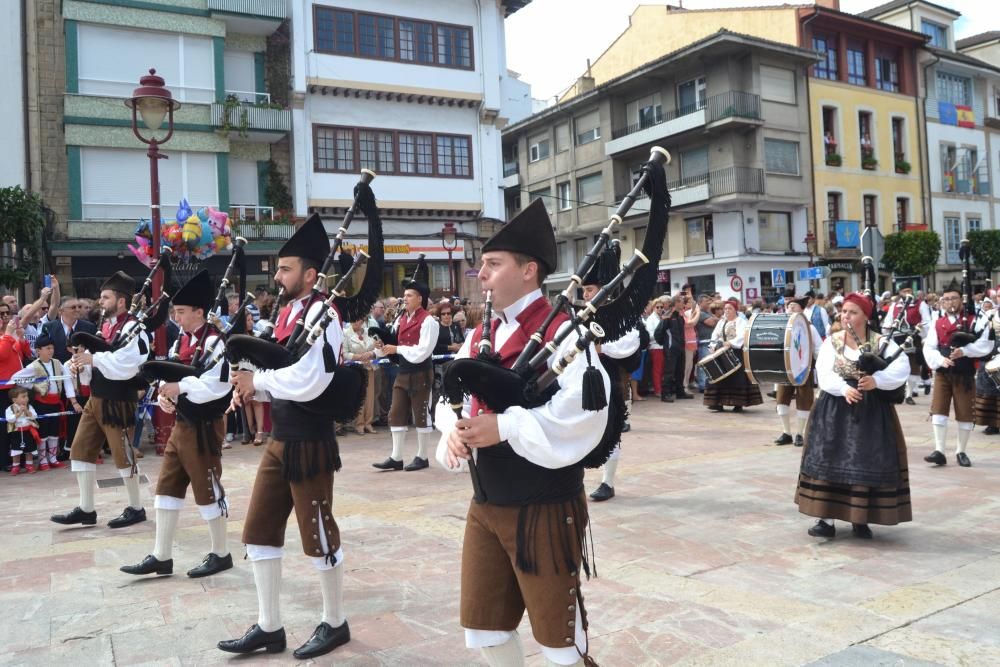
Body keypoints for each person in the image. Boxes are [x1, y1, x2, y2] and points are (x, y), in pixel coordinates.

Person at [433, 196, 615, 666]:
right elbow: (451, 394)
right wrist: (453, 427)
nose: (483, 274)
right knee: (483, 628)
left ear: (529, 270)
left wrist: (508, 425)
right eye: (482, 265)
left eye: (493, 263)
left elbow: (584, 413)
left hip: (544, 506)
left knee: (560, 643)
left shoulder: (566, 333)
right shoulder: (478, 335)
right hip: (486, 502)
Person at [219, 213, 352, 659]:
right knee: (258, 531)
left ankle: (335, 622)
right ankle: (269, 626)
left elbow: (312, 379)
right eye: (277, 269)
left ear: (310, 274)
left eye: (285, 268)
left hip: (310, 441)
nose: (276, 276)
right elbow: (277, 365)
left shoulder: (324, 314)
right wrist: (247, 379)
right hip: (280, 438)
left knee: (318, 534)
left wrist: (260, 383)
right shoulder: (290, 312)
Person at [120, 270, 235, 580]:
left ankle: (221, 553)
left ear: (199, 311)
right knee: (166, 489)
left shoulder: (216, 342)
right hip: (182, 423)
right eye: (175, 313)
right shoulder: (183, 339)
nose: (177, 318)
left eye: (182, 312)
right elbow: (168, 374)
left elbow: (219, 385)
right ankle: (161, 555)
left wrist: (180, 389)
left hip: (204, 426)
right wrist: (165, 395)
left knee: (208, 490)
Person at [795, 293, 911, 539]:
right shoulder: (832, 341)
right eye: (844, 311)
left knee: (866, 461)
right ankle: (825, 520)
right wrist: (843, 388)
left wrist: (877, 381)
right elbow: (823, 371)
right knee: (830, 458)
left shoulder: (881, 343)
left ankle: (861, 518)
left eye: (853, 312)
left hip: (871, 412)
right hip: (834, 411)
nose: (846, 316)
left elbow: (902, 368)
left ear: (866, 316)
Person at [51, 271, 151, 529]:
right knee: (80, 450)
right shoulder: (105, 326)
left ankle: (136, 508)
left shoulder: (134, 328)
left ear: (121, 301)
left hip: (118, 400)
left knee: (122, 455)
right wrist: (80, 365)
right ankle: (86, 509)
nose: (100, 301)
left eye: (106, 297)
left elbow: (129, 365)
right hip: (96, 398)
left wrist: (93, 359)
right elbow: (95, 361)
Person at [583, 245, 639, 503]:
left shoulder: (619, 315)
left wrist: (601, 346)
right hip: (585, 382)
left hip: (612, 379)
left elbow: (632, 342)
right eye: (584, 290)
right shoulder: (581, 316)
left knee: (611, 431)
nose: (585, 295)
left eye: (589, 290)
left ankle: (608, 482)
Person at [373, 261, 439, 472]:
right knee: (396, 412)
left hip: (421, 372)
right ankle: (396, 457)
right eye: (405, 295)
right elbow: (394, 344)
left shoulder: (429, 321)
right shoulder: (402, 319)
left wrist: (397, 349)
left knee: (420, 414)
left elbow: (423, 351)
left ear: (420, 299)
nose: (405, 299)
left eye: (409, 295)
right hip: (404, 372)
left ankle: (422, 456)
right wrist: (381, 347)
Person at [923, 282, 992, 468]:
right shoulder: (937, 322)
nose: (950, 302)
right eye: (946, 299)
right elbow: (928, 347)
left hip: (964, 373)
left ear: (961, 300)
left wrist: (965, 351)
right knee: (938, 411)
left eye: (953, 298)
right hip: (943, 372)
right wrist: (940, 360)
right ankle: (939, 451)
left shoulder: (973, 320)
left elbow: (986, 344)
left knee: (965, 413)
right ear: (941, 302)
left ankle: (961, 451)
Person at [22, 335, 80, 469]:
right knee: (43, 433)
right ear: (38, 351)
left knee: (54, 431)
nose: (51, 351)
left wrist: (74, 401)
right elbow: (17, 378)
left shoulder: (57, 363)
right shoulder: (32, 366)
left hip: (56, 403)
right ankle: (43, 461)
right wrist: (34, 386)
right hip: (41, 403)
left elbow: (67, 381)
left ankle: (53, 459)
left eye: (52, 348)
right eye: (47, 348)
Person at [773, 296, 822, 447]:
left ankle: (800, 433)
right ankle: (786, 432)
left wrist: (820, 372)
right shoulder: (781, 327)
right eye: (789, 306)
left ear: (801, 309)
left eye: (794, 306)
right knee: (781, 399)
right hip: (785, 369)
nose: (791, 308)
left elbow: (819, 350)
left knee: (804, 400)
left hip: (803, 369)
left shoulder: (810, 327)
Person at [704, 299, 762, 412]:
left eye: (729, 308)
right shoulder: (721, 322)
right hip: (721, 352)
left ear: (735, 310)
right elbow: (714, 335)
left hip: (735, 353)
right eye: (725, 309)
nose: (727, 311)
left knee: (737, 378)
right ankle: (717, 402)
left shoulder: (740, 321)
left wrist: (730, 343)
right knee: (718, 377)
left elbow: (741, 336)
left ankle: (738, 403)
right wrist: (713, 345)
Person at [882, 286, 931, 405]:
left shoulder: (920, 304)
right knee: (897, 365)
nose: (908, 293)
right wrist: (888, 329)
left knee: (913, 366)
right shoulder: (894, 305)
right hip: (898, 339)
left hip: (914, 337)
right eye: (905, 291)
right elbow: (888, 321)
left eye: (909, 291)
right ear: (900, 292)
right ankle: (899, 393)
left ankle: (909, 394)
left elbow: (927, 321)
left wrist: (924, 335)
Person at [343, 318, 377, 435]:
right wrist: (359, 357)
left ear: (363, 321)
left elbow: (377, 348)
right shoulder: (346, 333)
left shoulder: (370, 331)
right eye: (353, 320)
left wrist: (371, 354)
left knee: (370, 397)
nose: (355, 322)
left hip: (370, 367)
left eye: (358, 320)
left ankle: (368, 423)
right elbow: (344, 353)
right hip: (355, 369)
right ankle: (359, 424)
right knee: (359, 396)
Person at [654, 295, 689, 402]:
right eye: (682, 302)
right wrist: (665, 344)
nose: (683, 304)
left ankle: (680, 392)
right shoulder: (667, 316)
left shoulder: (680, 316)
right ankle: (665, 394)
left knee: (680, 371)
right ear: (676, 303)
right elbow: (658, 333)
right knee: (669, 372)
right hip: (671, 349)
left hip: (680, 348)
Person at [6, 386, 40, 475]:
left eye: (27, 396)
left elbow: (34, 416)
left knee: (29, 449)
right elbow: (10, 419)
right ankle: (15, 466)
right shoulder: (10, 409)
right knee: (16, 450)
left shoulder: (29, 406)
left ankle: (29, 465)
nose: (26, 398)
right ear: (14, 400)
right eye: (23, 396)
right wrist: (19, 413)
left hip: (28, 431)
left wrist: (27, 412)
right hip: (16, 432)